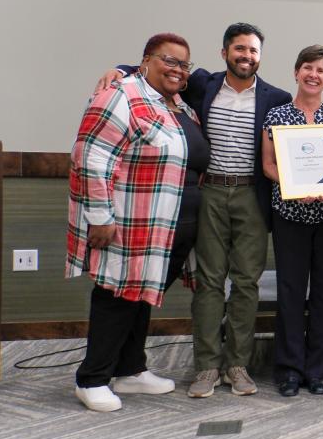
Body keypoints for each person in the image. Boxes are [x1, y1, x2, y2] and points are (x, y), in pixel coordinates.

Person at [97, 23, 291, 397]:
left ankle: (237, 365)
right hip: (211, 196)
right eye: (239, 49)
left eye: (252, 51)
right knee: (208, 283)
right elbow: (159, 72)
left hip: (252, 197)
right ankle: (206, 366)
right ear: (224, 53)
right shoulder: (201, 84)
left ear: (260, 57)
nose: (246, 56)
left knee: (248, 284)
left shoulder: (276, 98)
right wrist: (121, 70)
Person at [68, 33, 210, 412]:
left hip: (172, 225)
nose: (178, 70)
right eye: (169, 61)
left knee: (141, 295)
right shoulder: (121, 95)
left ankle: (130, 370)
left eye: (184, 64)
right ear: (145, 61)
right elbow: (91, 156)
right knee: (117, 295)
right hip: (130, 223)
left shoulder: (180, 104)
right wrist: (99, 216)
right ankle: (92, 378)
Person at [262, 45, 323, 397]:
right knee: (291, 292)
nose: (314, 75)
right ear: (296, 72)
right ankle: (289, 369)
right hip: (290, 215)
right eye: (308, 68)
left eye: (321, 70)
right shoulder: (277, 116)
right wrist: (293, 185)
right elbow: (268, 165)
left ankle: (317, 369)